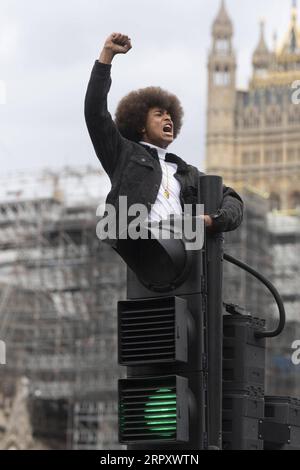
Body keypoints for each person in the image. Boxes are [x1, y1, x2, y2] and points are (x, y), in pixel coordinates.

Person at [84, 33, 243, 249]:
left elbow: (232, 198)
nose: (167, 118)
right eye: (159, 114)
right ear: (141, 124)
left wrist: (212, 221)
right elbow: (95, 113)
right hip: (145, 254)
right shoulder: (124, 155)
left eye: (170, 115)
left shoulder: (186, 172)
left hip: (183, 261)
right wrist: (106, 56)